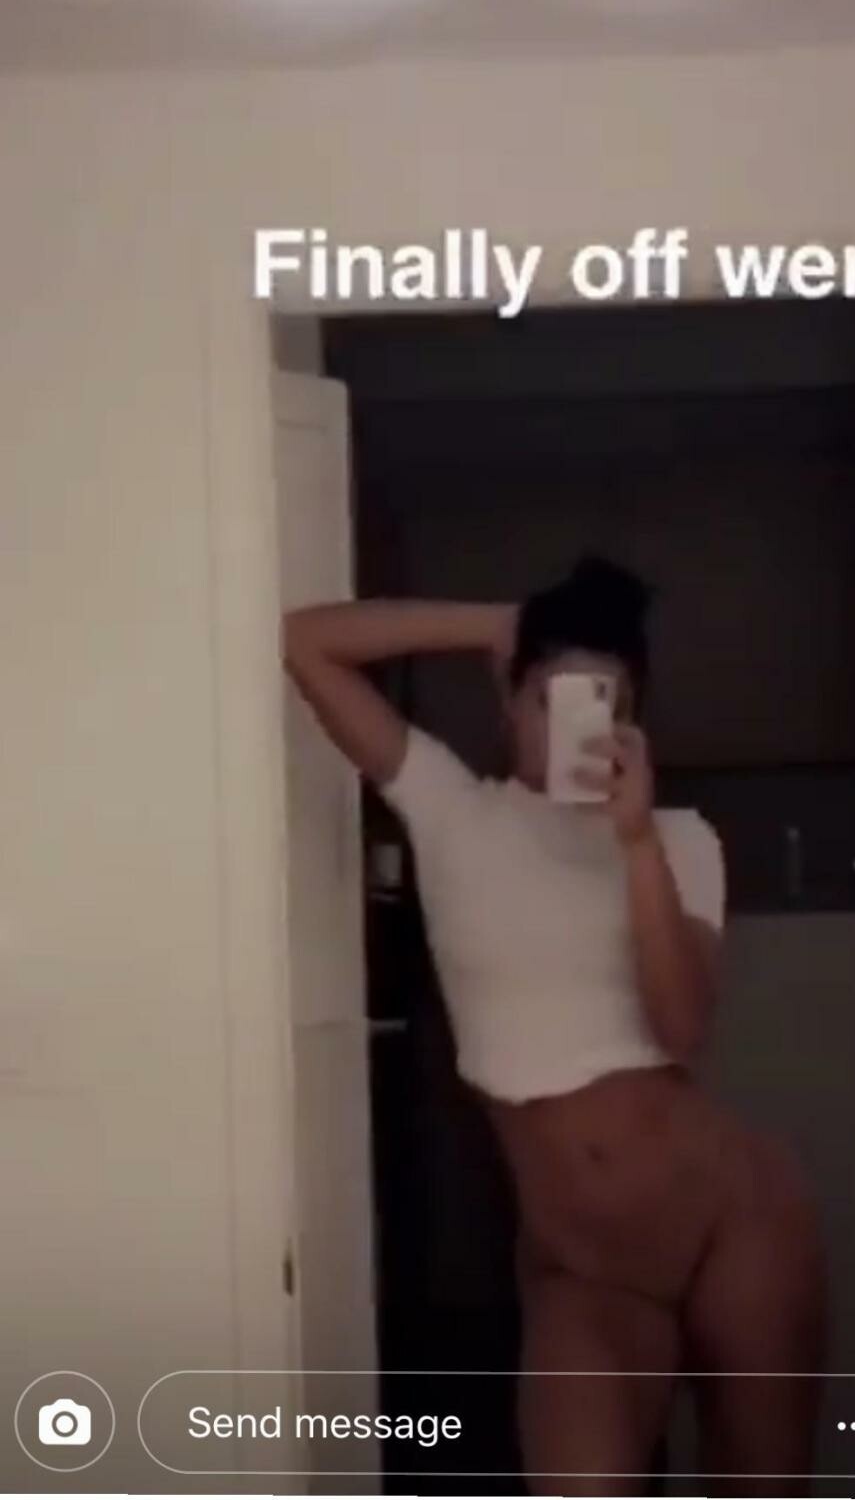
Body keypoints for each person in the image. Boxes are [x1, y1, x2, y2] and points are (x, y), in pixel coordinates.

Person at [284, 555, 825, 1495]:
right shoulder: (452, 810)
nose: (573, 723)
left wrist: (635, 842)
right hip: (583, 1269)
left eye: (604, 703)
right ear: (510, 701)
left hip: (735, 1225)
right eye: (552, 699)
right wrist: (497, 621)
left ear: (633, 721)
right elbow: (306, 643)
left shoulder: (681, 839)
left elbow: (682, 1028)